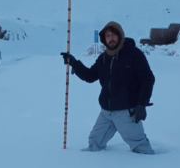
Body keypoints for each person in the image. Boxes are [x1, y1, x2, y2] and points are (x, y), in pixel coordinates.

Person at [61, 21, 155, 154]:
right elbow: (90, 76)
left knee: (140, 147)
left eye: (113, 35)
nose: (111, 38)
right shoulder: (103, 58)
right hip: (106, 113)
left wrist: (141, 104)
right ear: (104, 39)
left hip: (127, 112)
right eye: (107, 36)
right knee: (94, 143)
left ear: (120, 35)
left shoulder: (134, 54)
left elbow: (148, 78)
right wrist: (75, 64)